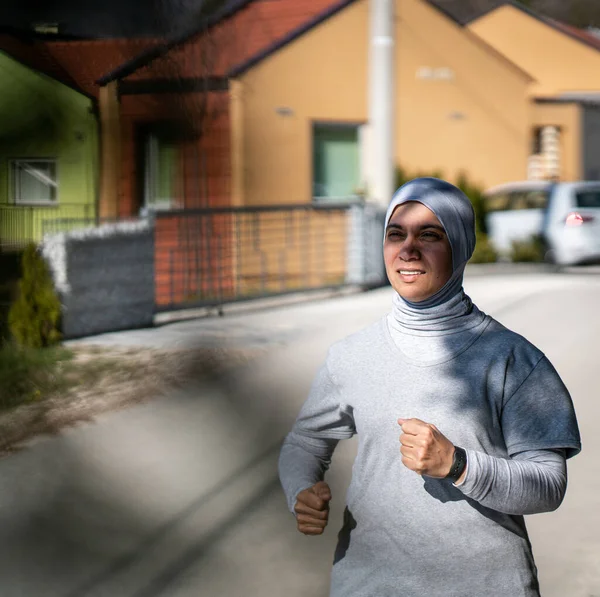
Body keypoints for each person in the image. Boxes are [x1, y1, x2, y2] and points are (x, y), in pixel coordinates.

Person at [278, 178, 581, 597]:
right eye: (395, 234)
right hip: (368, 585)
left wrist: (458, 465)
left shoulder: (514, 359)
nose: (408, 249)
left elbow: (548, 486)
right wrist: (301, 489)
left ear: (459, 245)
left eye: (430, 235)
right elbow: (305, 443)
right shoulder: (350, 355)